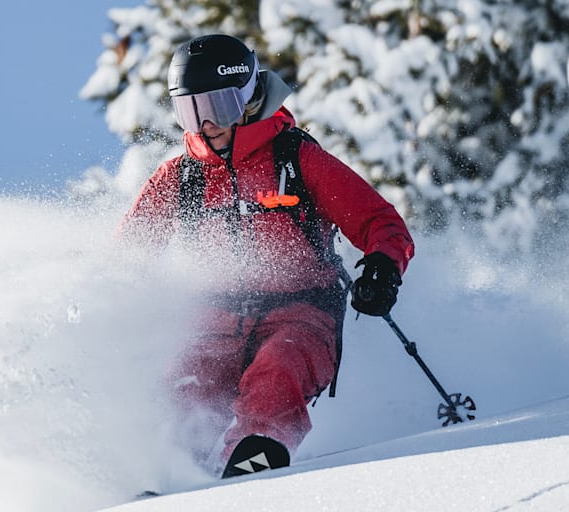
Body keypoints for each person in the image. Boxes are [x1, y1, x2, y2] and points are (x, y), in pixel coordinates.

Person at [118, 34, 415, 478]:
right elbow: (128, 257)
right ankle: (165, 476)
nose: (206, 124)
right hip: (214, 321)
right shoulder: (180, 178)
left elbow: (380, 222)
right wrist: (105, 297)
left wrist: (382, 266)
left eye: (217, 107)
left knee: (278, 371)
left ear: (250, 97)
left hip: (302, 313)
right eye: (190, 111)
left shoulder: (296, 159)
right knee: (184, 386)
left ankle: (254, 465)